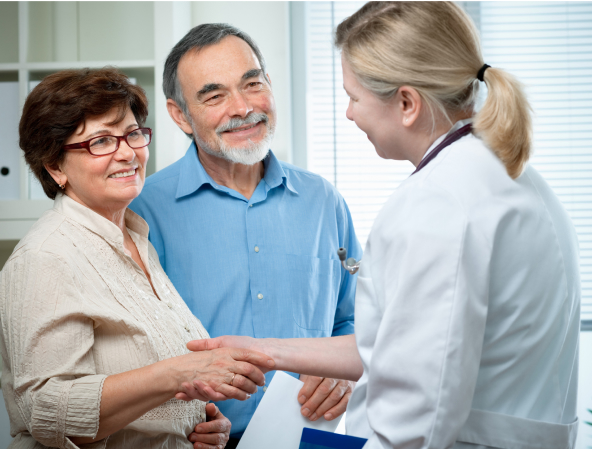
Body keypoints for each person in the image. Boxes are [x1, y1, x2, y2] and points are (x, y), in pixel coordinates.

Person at [187, 2, 581, 449]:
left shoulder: (438, 202)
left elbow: (414, 419)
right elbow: (393, 344)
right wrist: (266, 351)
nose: (350, 114)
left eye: (354, 97)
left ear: (407, 103)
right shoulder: (507, 175)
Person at [0, 67, 275, 449]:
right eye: (100, 142)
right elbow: (47, 412)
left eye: (132, 134)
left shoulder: (136, 239)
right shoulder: (45, 258)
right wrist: (177, 374)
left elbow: (133, 390)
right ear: (55, 166)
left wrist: (193, 422)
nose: (128, 152)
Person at [129, 23, 362, 445]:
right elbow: (131, 353)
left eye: (252, 84)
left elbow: (355, 319)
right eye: (214, 95)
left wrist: (342, 373)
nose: (242, 107)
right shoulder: (142, 212)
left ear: (269, 84)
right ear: (180, 115)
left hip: (313, 437)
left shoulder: (324, 201)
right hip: (196, 442)